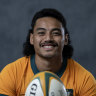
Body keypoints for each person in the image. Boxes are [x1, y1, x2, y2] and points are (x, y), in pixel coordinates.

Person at [0, 8, 96, 96]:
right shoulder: (11, 74)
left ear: (65, 39)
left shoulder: (85, 79)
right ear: (32, 38)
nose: (48, 38)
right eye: (41, 33)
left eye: (56, 33)